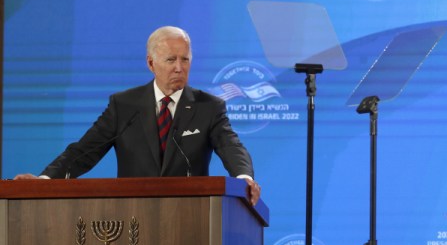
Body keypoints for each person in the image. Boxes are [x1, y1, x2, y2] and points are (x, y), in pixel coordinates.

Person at [14, 26, 262, 204]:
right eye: (171, 59)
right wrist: (45, 179)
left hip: (190, 213)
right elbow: (84, 151)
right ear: (151, 63)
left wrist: (244, 178)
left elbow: (231, 146)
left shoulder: (208, 106)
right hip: (132, 214)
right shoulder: (124, 105)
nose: (179, 67)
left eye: (185, 59)